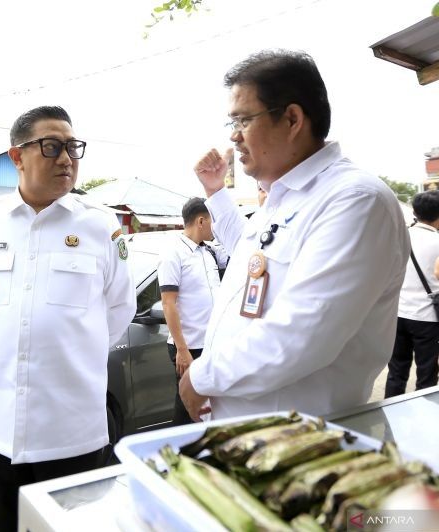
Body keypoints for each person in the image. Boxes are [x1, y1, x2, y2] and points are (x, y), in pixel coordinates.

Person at [181, 49, 408, 421]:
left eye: (243, 120)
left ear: (291, 118)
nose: (234, 138)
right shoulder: (281, 198)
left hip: (304, 443)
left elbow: (304, 333)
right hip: (248, 432)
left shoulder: (353, 200)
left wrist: (203, 376)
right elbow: (252, 260)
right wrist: (215, 192)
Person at [0, 106, 136, 532]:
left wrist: (69, 347)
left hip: (71, 430)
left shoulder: (100, 225)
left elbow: (119, 309)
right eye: (52, 147)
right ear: (17, 156)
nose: (66, 159)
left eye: (73, 148)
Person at [158, 197, 227, 426]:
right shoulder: (173, 253)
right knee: (188, 408)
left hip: (212, 345)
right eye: (212, 221)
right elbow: (168, 304)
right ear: (200, 221)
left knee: (211, 409)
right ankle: (177, 455)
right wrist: (182, 349)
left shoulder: (208, 252)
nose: (214, 228)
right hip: (190, 347)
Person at [385, 190, 439, 397]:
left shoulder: (398, 236)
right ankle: (424, 424)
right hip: (427, 319)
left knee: (396, 372)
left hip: (398, 314)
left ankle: (390, 423)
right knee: (427, 376)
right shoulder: (437, 242)